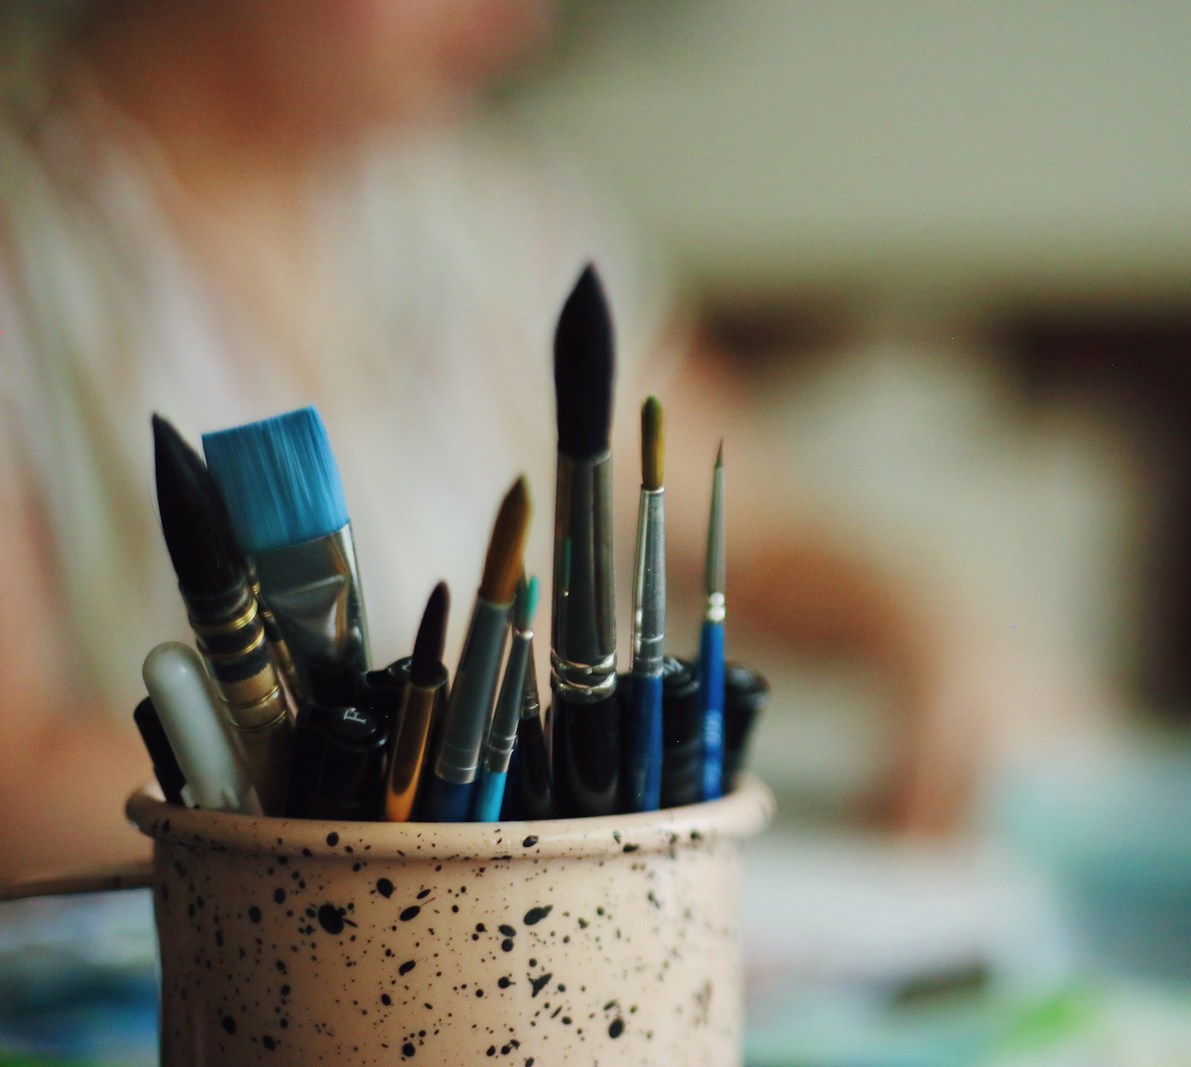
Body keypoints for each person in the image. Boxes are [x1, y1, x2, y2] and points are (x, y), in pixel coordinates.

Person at [0, 0, 1042, 880]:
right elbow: (17, 788)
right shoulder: (31, 244)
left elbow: (764, 529)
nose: (525, 19)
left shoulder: (500, 212)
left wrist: (927, 622)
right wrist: (395, 791)